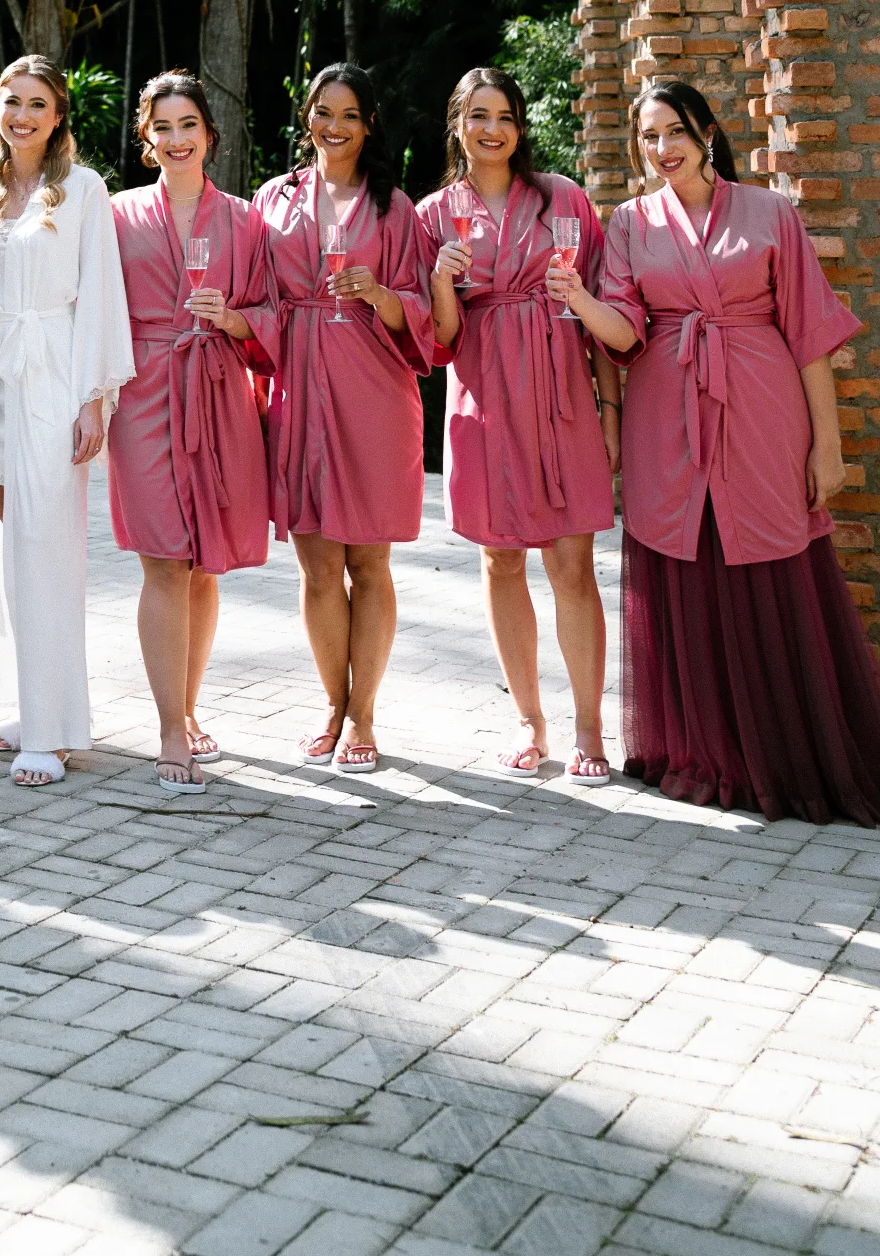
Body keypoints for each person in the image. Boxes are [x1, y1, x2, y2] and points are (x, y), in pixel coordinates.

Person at [570, 80, 880, 825]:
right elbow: (624, 333)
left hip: (761, 408)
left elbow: (810, 331)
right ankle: (701, 755)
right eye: (648, 137)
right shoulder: (633, 223)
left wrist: (827, 446)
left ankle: (787, 762)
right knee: (683, 565)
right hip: (665, 415)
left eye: (674, 132)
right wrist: (578, 301)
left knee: (770, 563)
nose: (662, 149)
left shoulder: (770, 212)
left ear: (706, 133)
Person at [0, 54, 134, 789]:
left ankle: (52, 730)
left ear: (58, 115)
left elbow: (101, 293)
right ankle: (23, 705)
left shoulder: (82, 190)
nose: (21, 115)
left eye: (36, 104)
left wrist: (91, 401)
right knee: (4, 554)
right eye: (11, 101)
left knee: (46, 553)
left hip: (48, 376)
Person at [419, 65, 615, 783]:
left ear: (520, 125)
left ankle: (589, 730)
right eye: (477, 115)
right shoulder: (432, 214)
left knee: (572, 566)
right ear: (458, 125)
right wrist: (442, 279)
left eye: (503, 115)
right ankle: (530, 721)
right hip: (484, 400)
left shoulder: (562, 198)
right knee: (501, 559)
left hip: (560, 392)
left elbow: (599, 315)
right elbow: (437, 342)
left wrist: (612, 415)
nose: (491, 128)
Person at [255, 62, 434, 772]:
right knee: (318, 563)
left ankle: (365, 715)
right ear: (308, 117)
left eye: (350, 114)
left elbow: (423, 311)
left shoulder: (396, 209)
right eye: (323, 111)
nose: (335, 126)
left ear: (369, 126)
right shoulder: (274, 198)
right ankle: (333, 703)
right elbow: (253, 293)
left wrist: (380, 293)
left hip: (373, 386)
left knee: (370, 560)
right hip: (299, 381)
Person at [110, 71, 275, 795]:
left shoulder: (244, 220)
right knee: (163, 559)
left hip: (218, 387)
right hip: (145, 390)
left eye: (189, 127)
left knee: (205, 563)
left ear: (210, 134)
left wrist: (236, 321)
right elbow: (87, 312)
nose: (177, 141)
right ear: (147, 142)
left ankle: (191, 704)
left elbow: (272, 313)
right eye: (163, 129)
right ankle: (170, 728)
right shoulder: (115, 217)